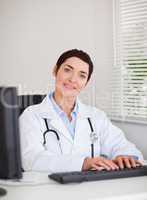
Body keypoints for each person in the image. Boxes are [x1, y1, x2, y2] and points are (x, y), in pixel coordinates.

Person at [19, 49, 144, 173]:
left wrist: (125, 156)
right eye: (67, 70)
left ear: (86, 83)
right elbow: (31, 159)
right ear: (55, 70)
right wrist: (83, 163)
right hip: (49, 189)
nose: (73, 79)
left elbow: (122, 146)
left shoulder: (96, 116)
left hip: (92, 189)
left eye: (82, 75)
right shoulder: (32, 115)